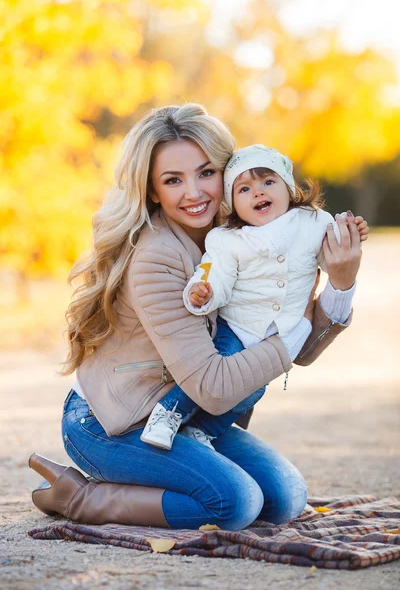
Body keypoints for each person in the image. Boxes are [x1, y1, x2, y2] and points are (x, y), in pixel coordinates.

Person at [29, 104, 368, 531]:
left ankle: (181, 475)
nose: (195, 193)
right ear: (152, 190)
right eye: (173, 180)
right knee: (235, 503)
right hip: (113, 424)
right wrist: (295, 328)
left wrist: (340, 281)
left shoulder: (243, 235)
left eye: (206, 173)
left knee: (284, 499)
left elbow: (300, 354)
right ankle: (82, 497)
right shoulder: (156, 257)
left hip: (188, 419)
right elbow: (215, 384)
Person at [140, 144, 369, 451]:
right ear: (233, 203)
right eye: (244, 188)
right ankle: (167, 414)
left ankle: (202, 432)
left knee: (250, 393)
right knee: (217, 376)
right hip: (239, 326)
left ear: (288, 187)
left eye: (268, 182)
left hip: (282, 331)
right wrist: (203, 293)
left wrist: (350, 234)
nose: (258, 192)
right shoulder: (228, 239)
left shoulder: (313, 223)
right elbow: (215, 273)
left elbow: (334, 257)